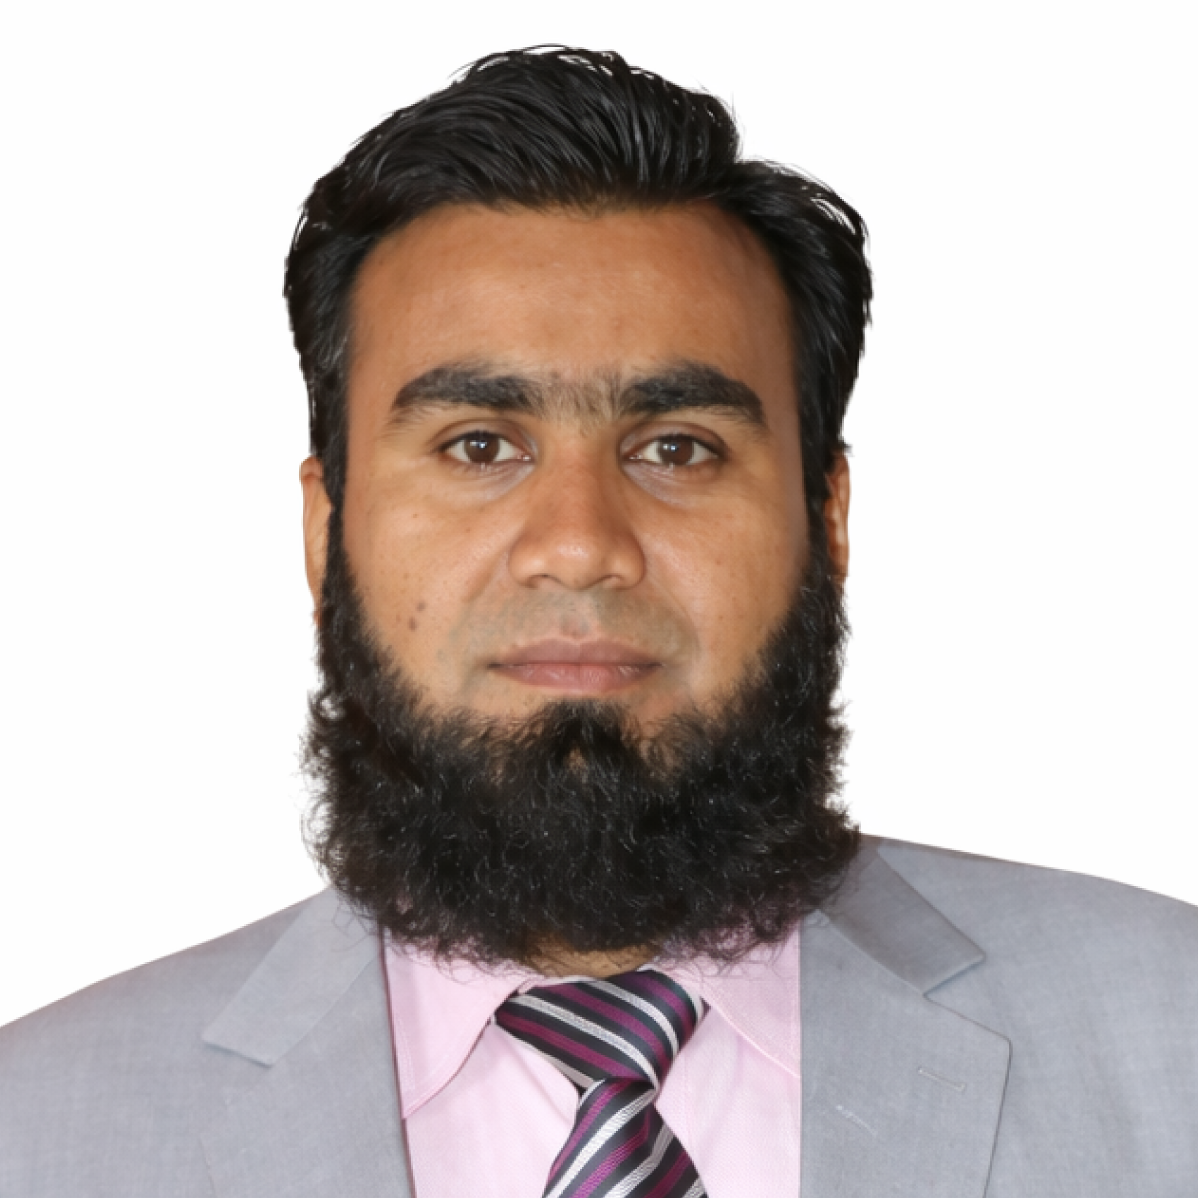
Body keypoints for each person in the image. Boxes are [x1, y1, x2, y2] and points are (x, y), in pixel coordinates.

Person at [1, 46, 1195, 1197]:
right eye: (479, 445)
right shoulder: (33, 1129)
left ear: (826, 519)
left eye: (676, 448)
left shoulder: (1172, 1034)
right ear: (327, 529)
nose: (577, 544)